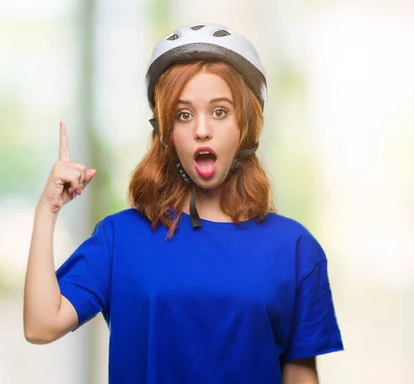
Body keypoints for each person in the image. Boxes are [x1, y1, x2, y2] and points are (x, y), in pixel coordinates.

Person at [24, 23, 343, 383]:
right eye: (183, 114)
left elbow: (300, 376)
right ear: (166, 133)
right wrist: (46, 211)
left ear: (247, 125)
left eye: (220, 112)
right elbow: (41, 325)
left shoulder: (295, 247)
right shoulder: (120, 238)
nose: (201, 129)